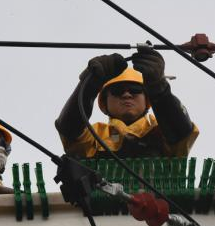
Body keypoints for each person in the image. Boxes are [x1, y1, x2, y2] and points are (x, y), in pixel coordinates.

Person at [55, 46, 198, 159]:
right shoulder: (95, 136)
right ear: (104, 103)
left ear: (147, 99)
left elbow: (182, 133)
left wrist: (159, 87)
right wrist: (88, 85)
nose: (127, 95)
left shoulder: (161, 131)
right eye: (117, 90)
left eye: (135, 89)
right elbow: (68, 130)